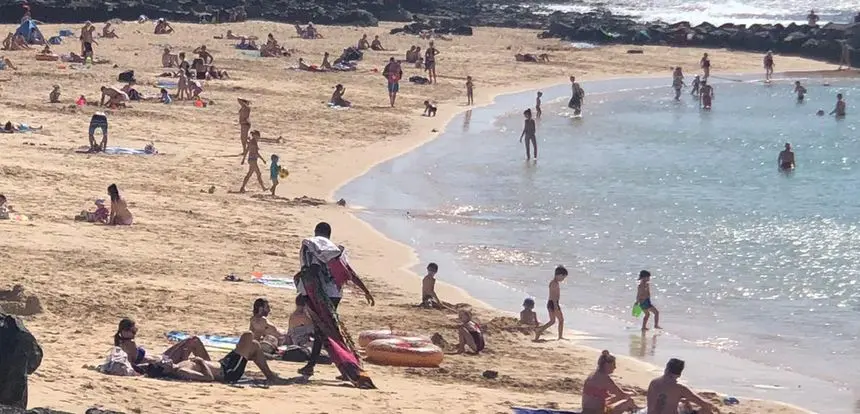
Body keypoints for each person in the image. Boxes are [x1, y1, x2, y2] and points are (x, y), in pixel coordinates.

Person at [294, 222, 375, 380]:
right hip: (335, 294)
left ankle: (349, 366)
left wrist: (304, 287)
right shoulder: (337, 251)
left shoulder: (311, 246)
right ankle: (321, 366)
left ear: (316, 232)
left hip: (320, 294)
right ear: (329, 235)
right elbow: (349, 272)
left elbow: (313, 270)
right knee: (326, 330)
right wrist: (365, 291)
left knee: (325, 331)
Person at [159, 332, 285, 384]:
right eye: (163, 364)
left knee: (254, 345)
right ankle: (271, 377)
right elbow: (208, 378)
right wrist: (201, 362)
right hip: (228, 372)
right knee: (248, 336)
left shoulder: (179, 365)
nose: (166, 362)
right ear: (165, 370)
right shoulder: (181, 371)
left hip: (222, 364)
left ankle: (270, 376)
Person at [113, 318, 210, 369]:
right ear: (126, 330)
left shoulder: (121, 342)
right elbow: (131, 363)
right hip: (163, 362)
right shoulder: (129, 344)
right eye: (134, 330)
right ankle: (210, 365)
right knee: (193, 341)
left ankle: (207, 365)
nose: (135, 333)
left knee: (190, 341)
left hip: (162, 358)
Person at [647, 358, 717, 414]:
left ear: (666, 369)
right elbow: (706, 405)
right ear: (679, 375)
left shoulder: (653, 382)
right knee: (706, 410)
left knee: (682, 404)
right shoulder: (680, 388)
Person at [534, 265, 568, 341]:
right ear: (558, 275)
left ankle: (539, 330)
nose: (563, 279)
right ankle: (560, 336)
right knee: (561, 320)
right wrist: (556, 306)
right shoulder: (554, 283)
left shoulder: (554, 283)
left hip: (551, 303)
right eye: (563, 277)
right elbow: (553, 296)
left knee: (552, 321)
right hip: (553, 303)